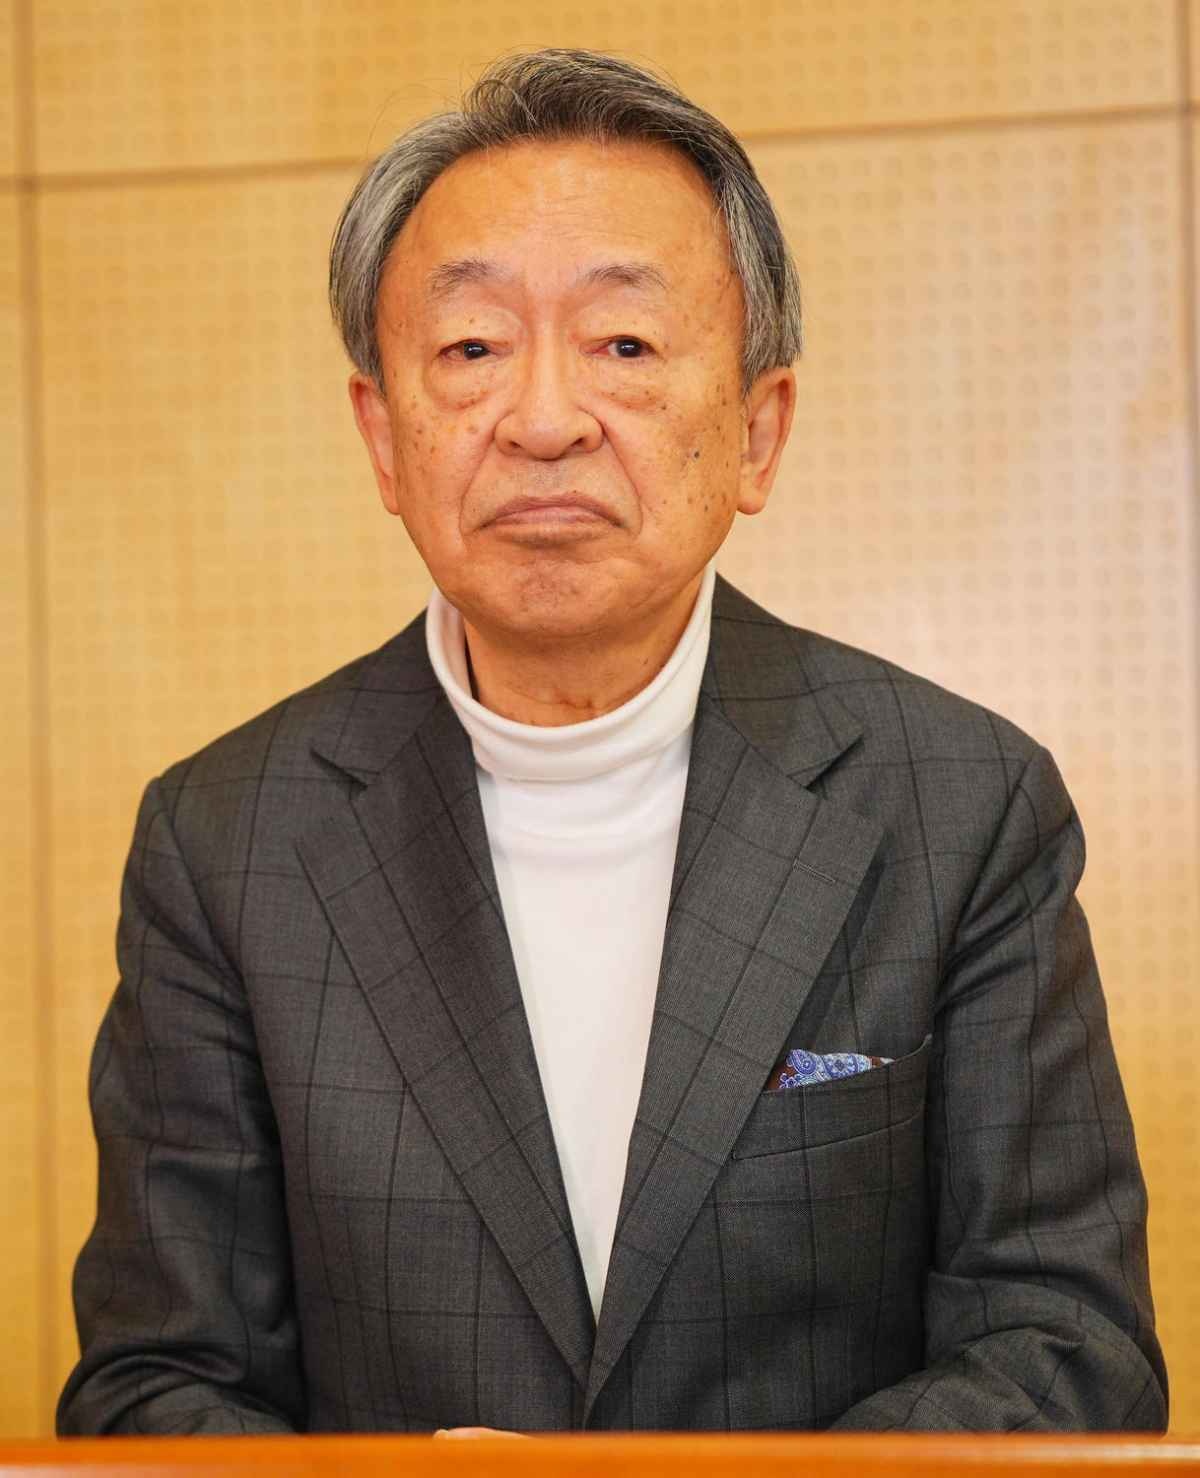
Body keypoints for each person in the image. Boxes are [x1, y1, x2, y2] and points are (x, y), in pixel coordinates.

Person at [58, 48, 1167, 1436]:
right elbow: (157, 1386)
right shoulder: (227, 840)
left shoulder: (962, 807)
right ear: (383, 438)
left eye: (625, 345)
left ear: (758, 431)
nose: (541, 420)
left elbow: (1067, 1348)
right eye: (471, 348)